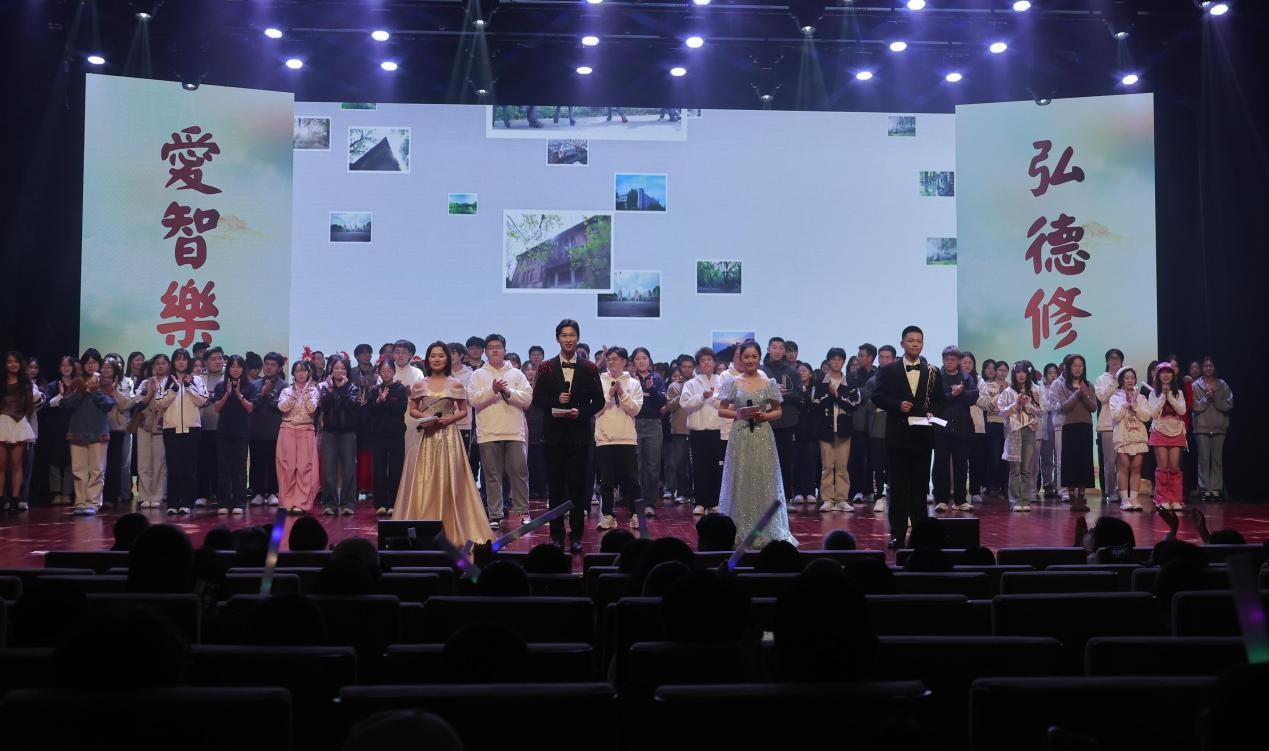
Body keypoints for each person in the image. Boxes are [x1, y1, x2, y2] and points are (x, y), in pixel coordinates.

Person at [395, 342, 491, 546]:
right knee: (422, 480)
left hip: (448, 437)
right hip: (425, 437)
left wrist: (449, 419)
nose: (437, 359)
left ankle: (452, 528)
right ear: (427, 359)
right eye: (433, 356)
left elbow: (463, 410)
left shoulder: (455, 384)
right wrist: (424, 417)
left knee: (450, 481)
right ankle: (422, 527)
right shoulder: (420, 384)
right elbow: (413, 409)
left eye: (441, 356)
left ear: (447, 359)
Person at [530, 320, 605, 553]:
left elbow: (599, 401)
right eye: (564, 335)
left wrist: (580, 412)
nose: (568, 339)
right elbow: (537, 399)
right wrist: (556, 401)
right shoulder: (546, 367)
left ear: (578, 337)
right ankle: (556, 535)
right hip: (553, 436)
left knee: (578, 488)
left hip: (579, 435)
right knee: (555, 488)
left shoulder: (590, 368)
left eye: (572, 335)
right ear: (557, 339)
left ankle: (576, 536)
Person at [871, 326, 945, 548]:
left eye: (919, 341)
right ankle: (898, 533)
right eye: (911, 340)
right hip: (898, 437)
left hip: (923, 437)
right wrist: (897, 405)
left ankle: (920, 535)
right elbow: (877, 396)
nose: (915, 344)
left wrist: (933, 411)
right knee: (898, 487)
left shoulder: (932, 371)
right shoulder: (889, 370)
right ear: (902, 343)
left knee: (920, 487)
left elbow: (940, 399)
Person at [718, 340, 796, 547]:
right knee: (741, 478)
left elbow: (778, 411)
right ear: (740, 358)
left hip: (763, 436)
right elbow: (721, 409)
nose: (750, 360)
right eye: (746, 357)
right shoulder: (733, 382)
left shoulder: (768, 382)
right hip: (741, 436)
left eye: (754, 356)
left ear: (760, 357)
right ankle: (739, 528)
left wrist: (765, 416)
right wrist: (738, 414)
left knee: (763, 479)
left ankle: (767, 529)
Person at [466, 333, 532, 529]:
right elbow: (473, 400)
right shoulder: (478, 375)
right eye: (491, 347)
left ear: (505, 350)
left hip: (514, 432)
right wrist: (492, 390)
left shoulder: (516, 374)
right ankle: (495, 514)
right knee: (492, 476)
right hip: (488, 432)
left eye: (498, 347)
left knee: (519, 473)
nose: (494, 350)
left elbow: (527, 399)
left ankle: (523, 511)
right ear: (486, 352)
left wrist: (508, 392)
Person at [594, 347, 644, 531]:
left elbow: (635, 410)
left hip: (626, 438)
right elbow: (596, 411)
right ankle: (608, 515)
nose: (611, 362)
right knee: (606, 481)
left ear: (624, 361)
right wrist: (609, 395)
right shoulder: (599, 381)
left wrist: (622, 393)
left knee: (632, 480)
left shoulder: (634, 383)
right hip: (605, 438)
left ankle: (636, 515)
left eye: (615, 359)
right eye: (608, 359)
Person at [60, 349, 116, 516]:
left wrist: (95, 391)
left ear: (99, 364)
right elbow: (67, 404)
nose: (91, 365)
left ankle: (93, 503)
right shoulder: (77, 382)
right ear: (83, 365)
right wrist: (82, 390)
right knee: (79, 470)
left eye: (94, 362)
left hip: (98, 431)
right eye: (87, 362)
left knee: (97, 470)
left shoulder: (105, 382)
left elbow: (109, 404)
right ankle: (80, 502)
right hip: (77, 430)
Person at [811, 347, 861, 512]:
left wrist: (837, 396)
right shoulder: (820, 383)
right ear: (828, 361)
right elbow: (816, 403)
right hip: (825, 429)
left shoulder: (851, 383)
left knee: (842, 466)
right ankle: (827, 499)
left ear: (844, 362)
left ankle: (841, 499)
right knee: (827, 466)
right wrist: (830, 395)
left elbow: (854, 404)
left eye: (839, 359)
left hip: (844, 430)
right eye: (833, 359)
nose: (836, 362)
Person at [933, 346, 978, 513]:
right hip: (941, 427)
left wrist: (961, 392)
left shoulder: (966, 377)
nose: (949, 362)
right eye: (946, 359)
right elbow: (935, 400)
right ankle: (941, 499)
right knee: (941, 465)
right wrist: (952, 394)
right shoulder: (937, 377)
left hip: (962, 427)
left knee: (961, 465)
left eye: (953, 359)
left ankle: (960, 500)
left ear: (958, 361)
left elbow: (973, 398)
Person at [1050, 354, 1097, 512]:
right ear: (1068, 368)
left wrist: (1084, 394)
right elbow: (1064, 407)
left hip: (1085, 426)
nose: (1077, 368)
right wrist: (1077, 394)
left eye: (1080, 365)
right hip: (1069, 427)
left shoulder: (1089, 385)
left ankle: (1082, 497)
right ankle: (1072, 498)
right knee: (1070, 463)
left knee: (1084, 462)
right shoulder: (1061, 385)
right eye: (1074, 365)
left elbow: (1093, 407)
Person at [210, 354, 257, 514]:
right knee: (223, 468)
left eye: (239, 366)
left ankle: (239, 502)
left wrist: (239, 395)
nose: (235, 369)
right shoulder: (220, 386)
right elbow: (217, 408)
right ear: (228, 368)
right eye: (232, 366)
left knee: (240, 468)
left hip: (242, 432)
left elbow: (250, 408)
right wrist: (227, 394)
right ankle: (223, 502)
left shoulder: (250, 387)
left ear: (243, 369)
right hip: (223, 432)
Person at [680, 347, 724, 516]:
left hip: (716, 429)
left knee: (715, 467)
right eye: (703, 360)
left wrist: (713, 397)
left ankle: (714, 502)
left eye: (709, 360)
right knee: (699, 467)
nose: (706, 363)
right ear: (698, 364)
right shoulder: (691, 383)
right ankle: (699, 501)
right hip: (698, 431)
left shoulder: (721, 380)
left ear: (714, 362)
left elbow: (726, 403)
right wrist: (702, 396)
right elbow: (685, 404)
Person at [317, 356, 361, 515]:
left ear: (347, 371)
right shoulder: (324, 387)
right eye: (336, 368)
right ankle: (330, 503)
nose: (339, 371)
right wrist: (331, 389)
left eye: (342, 368)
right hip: (329, 433)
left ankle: (348, 503)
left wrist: (341, 390)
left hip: (347, 433)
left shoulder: (353, 388)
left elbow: (352, 408)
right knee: (329, 469)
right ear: (331, 370)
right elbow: (323, 406)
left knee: (349, 469)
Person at [276, 359, 320, 514]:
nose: (301, 374)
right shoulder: (286, 391)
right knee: (287, 467)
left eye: (303, 370)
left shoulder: (314, 391)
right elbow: (282, 408)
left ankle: (301, 503)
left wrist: (305, 393)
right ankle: (287, 502)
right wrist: (295, 394)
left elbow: (312, 409)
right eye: (297, 371)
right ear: (293, 373)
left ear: (308, 373)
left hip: (306, 429)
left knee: (304, 468)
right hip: (287, 429)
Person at [365, 359, 408, 516]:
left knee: (395, 469)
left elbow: (401, 410)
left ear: (394, 372)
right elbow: (370, 411)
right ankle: (380, 504)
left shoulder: (400, 389)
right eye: (383, 370)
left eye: (389, 370)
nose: (386, 373)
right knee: (379, 469)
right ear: (379, 372)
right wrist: (378, 400)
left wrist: (386, 401)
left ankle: (393, 503)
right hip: (378, 436)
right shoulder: (374, 390)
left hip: (396, 435)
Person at [998, 361, 1042, 512]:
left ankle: (1025, 500)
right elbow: (1001, 412)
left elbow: (1042, 410)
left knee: (1026, 468)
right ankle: (1015, 500)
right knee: (1015, 469)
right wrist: (1016, 404)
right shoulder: (1008, 392)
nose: (1021, 375)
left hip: (1029, 430)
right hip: (1014, 431)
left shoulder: (1035, 390)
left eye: (1024, 372)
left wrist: (1028, 405)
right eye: (1018, 372)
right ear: (1014, 374)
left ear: (1028, 373)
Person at [765, 337, 804, 504]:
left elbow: (799, 395)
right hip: (765, 422)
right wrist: (772, 393)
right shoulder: (761, 371)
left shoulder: (792, 372)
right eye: (774, 347)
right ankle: (766, 499)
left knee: (786, 462)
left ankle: (786, 498)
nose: (777, 351)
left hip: (787, 423)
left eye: (781, 348)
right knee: (766, 463)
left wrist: (781, 395)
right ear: (768, 349)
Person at [0, 351, 39, 513]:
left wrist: (23, 422)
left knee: (17, 464)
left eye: (15, 361)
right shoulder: (2, 382)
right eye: (9, 361)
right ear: (5, 364)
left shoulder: (26, 383)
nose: (13, 364)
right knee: (2, 465)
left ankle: (16, 499)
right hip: (2, 422)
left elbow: (29, 406)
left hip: (19, 423)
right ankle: (2, 499)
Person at [630, 347, 666, 518]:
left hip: (653, 425)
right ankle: (636, 503)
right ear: (633, 362)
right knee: (635, 465)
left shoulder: (657, 379)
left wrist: (651, 388)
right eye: (638, 358)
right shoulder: (629, 379)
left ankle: (650, 503)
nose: (641, 361)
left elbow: (661, 402)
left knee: (652, 466)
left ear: (649, 360)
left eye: (644, 358)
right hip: (633, 424)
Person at [1191, 356, 1232, 502]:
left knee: (1217, 459)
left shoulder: (1222, 385)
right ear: (1202, 368)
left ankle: (1215, 489)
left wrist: (1215, 399)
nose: (1208, 368)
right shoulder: (1195, 385)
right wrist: (1206, 399)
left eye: (1211, 366)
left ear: (1214, 368)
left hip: (1219, 427)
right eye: (1205, 366)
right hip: (1202, 427)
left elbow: (1228, 404)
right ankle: (1204, 489)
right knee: (1203, 459)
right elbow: (1194, 406)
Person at [1109, 366, 1151, 511]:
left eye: (1132, 378)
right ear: (1121, 380)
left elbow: (1147, 416)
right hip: (1123, 436)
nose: (1130, 380)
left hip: (1138, 436)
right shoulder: (1115, 398)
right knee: (1124, 467)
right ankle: (1124, 499)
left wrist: (1136, 406)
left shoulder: (1141, 398)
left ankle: (1134, 499)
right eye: (1127, 378)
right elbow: (1115, 416)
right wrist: (1126, 404)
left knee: (1136, 468)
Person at [1149, 361, 1188, 511]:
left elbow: (1182, 411)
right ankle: (1162, 498)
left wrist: (1170, 396)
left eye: (1169, 372)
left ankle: (1176, 498)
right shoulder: (1153, 393)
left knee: (1174, 467)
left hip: (1176, 431)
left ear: (1173, 375)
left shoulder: (1179, 393)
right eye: (1163, 372)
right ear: (1158, 375)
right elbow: (1153, 414)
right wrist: (1162, 397)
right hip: (1160, 430)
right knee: (1162, 467)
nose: (1166, 375)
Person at [248, 352, 286, 508]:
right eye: (267, 364)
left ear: (280, 368)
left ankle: (272, 492)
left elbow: (281, 406)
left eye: (273, 365)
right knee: (256, 461)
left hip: (275, 430)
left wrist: (269, 394)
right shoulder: (254, 384)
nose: (269, 368)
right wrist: (262, 393)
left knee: (273, 463)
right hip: (256, 430)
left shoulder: (284, 386)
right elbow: (251, 405)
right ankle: (257, 492)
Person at [131, 354, 169, 509]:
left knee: (159, 462)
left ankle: (158, 495)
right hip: (144, 425)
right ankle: (144, 494)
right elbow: (137, 400)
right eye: (157, 363)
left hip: (162, 426)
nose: (160, 366)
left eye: (163, 363)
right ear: (153, 366)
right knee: (143, 463)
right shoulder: (146, 382)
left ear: (168, 365)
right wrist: (149, 394)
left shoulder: (171, 382)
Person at [847, 343, 878, 504]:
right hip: (858, 421)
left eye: (862, 355)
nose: (859, 358)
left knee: (873, 457)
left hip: (875, 421)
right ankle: (856, 490)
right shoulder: (852, 376)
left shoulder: (879, 374)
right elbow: (853, 395)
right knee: (857, 457)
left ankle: (870, 489)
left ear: (871, 357)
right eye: (858, 355)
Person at [1094, 349, 1125, 506]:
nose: (1115, 361)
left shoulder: (1126, 378)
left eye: (1118, 358)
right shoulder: (1101, 379)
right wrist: (1114, 380)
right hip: (1107, 425)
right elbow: (1102, 397)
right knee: (1109, 462)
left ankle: (1122, 491)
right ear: (1107, 361)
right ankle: (1110, 492)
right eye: (1112, 358)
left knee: (1123, 462)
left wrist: (1121, 379)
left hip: (1124, 425)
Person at [661, 355, 694, 505]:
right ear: (680, 368)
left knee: (695, 464)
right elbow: (669, 407)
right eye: (684, 367)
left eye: (690, 366)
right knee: (680, 463)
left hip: (697, 428)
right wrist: (682, 395)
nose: (687, 369)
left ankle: (694, 493)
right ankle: (682, 492)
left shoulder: (698, 383)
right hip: (679, 429)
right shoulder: (673, 386)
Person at [196, 346, 225, 508]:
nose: (217, 361)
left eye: (220, 358)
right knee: (203, 462)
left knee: (222, 463)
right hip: (203, 426)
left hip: (223, 427)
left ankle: (221, 494)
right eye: (213, 359)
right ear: (206, 362)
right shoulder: (198, 378)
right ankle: (202, 494)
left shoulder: (229, 376)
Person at [1037, 363, 1060, 498]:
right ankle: (1047, 485)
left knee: (1059, 457)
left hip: (1058, 423)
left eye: (1055, 373)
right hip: (1046, 422)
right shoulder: (1040, 389)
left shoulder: (1060, 388)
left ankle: (1058, 485)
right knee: (1046, 457)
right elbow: (1042, 407)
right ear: (1045, 375)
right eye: (1050, 373)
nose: (1053, 375)